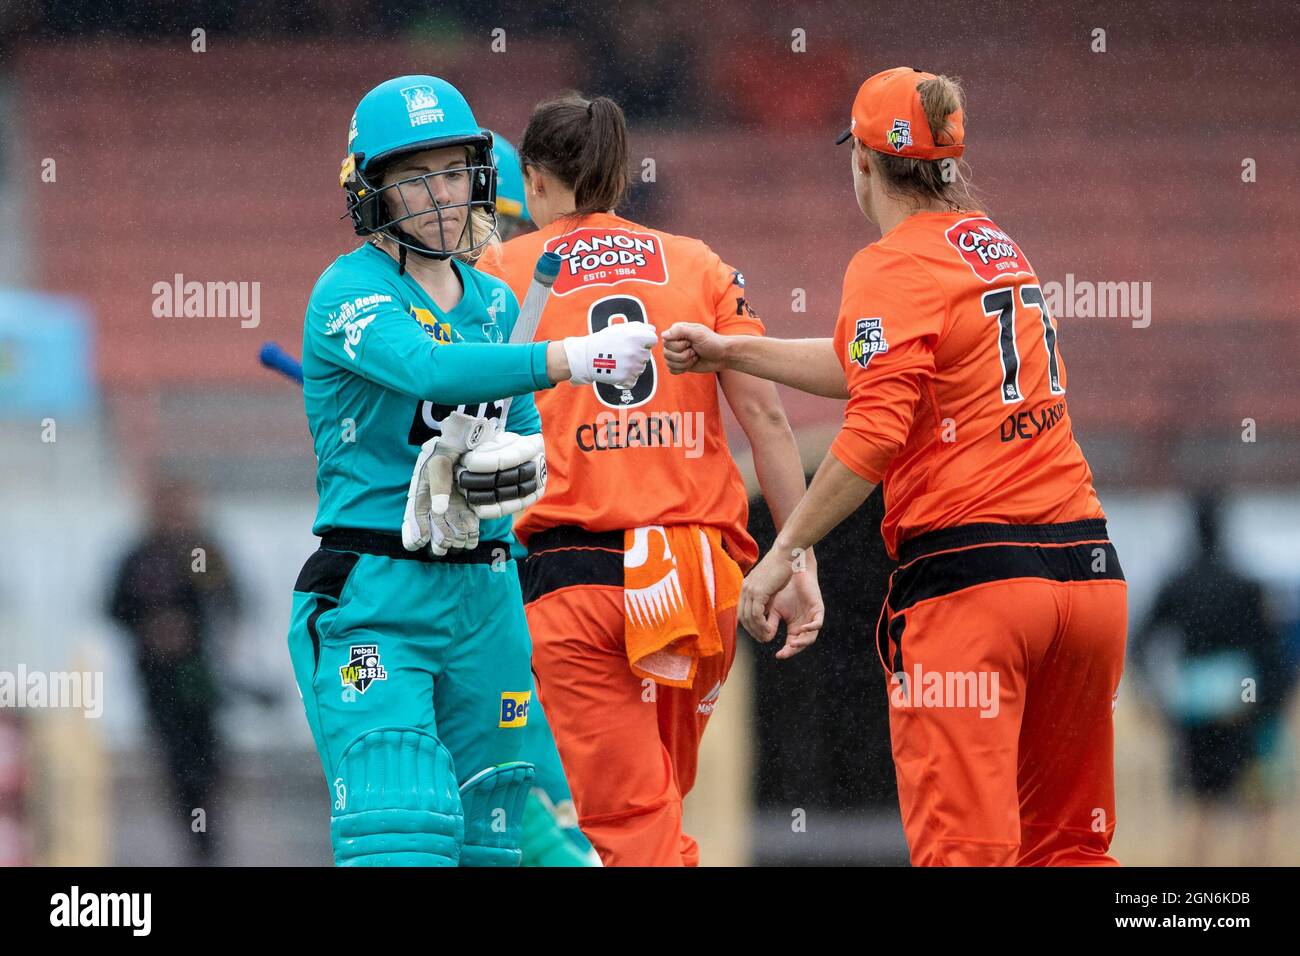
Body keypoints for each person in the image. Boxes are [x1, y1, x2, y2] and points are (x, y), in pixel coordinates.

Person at [663, 67, 1128, 866]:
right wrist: (734, 349)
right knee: (1069, 851)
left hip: (975, 586)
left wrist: (785, 550)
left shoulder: (890, 264)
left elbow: (874, 430)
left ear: (864, 163)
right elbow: (875, 366)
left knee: (964, 851)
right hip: (1086, 579)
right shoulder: (994, 244)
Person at [286, 75, 655, 867]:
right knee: (400, 831)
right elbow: (426, 369)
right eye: (415, 179)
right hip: (378, 597)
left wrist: (505, 474)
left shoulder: (492, 299)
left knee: (495, 843)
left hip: (485, 599)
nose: (442, 197)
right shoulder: (346, 291)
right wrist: (572, 357)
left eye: (454, 173)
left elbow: (522, 435)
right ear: (371, 192)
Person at [479, 93, 822, 866]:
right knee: (655, 800)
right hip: (697, 578)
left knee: (621, 828)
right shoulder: (700, 263)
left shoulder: (498, 273)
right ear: (623, 174)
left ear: (531, 180)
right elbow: (767, 421)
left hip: (579, 581)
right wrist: (796, 559)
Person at [1131, 490, 1290, 864]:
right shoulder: (1246, 585)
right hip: (1240, 705)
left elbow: (1139, 644)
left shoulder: (1176, 584)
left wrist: (1154, 698)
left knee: (1199, 805)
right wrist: (1270, 704)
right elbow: (1271, 652)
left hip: (1190, 705)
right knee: (1256, 803)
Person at [107, 478, 237, 864]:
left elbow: (230, 600)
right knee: (175, 761)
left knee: (207, 757)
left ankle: (208, 837)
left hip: (199, 674)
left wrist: (198, 635)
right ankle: (196, 840)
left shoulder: (204, 550)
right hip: (156, 679)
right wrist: (150, 629)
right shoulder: (138, 556)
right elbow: (113, 607)